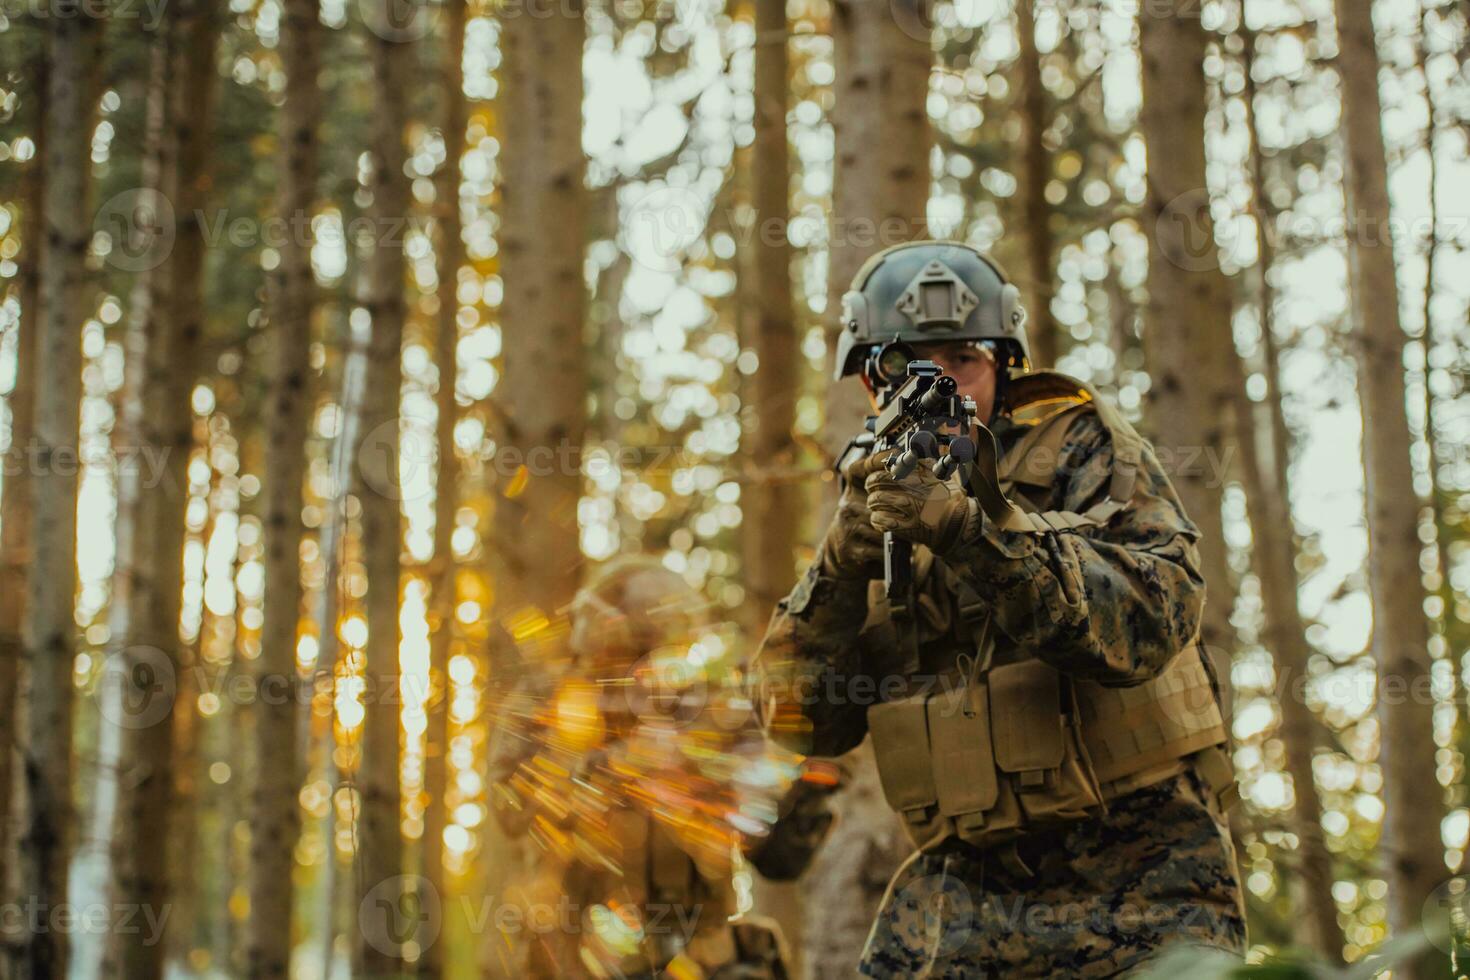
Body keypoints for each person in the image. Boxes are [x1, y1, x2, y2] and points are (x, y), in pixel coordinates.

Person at [752, 241, 1247, 977]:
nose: (940, 381)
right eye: (905, 362)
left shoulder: (1083, 446)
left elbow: (1151, 620)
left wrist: (970, 531)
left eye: (963, 357)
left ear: (1004, 361)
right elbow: (799, 720)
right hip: (968, 881)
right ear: (866, 378)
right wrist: (840, 564)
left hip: (1143, 866)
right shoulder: (875, 491)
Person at [488, 556, 820, 979]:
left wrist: (797, 789)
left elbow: (779, 853)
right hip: (579, 954)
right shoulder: (547, 699)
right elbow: (511, 808)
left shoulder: (705, 702)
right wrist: (613, 767)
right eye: (640, 646)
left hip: (700, 953)